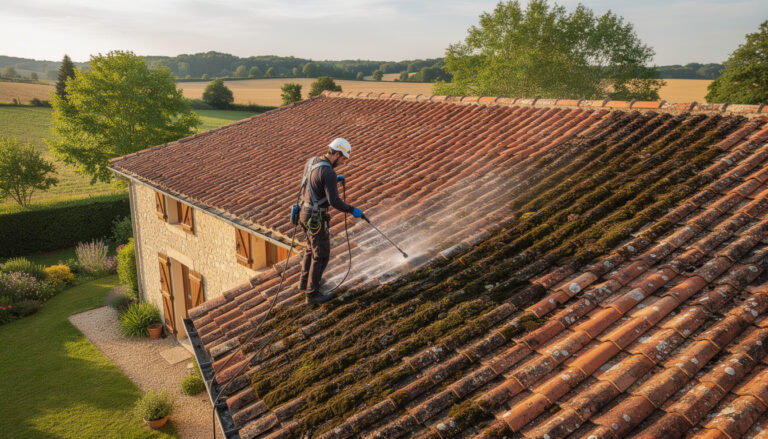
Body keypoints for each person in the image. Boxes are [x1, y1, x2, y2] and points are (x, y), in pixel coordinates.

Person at [298, 138, 364, 305]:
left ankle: (305, 283)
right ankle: (312, 294)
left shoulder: (312, 161)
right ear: (336, 154)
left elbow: (313, 183)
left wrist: (332, 181)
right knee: (321, 253)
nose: (343, 163)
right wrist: (351, 209)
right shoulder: (328, 172)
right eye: (343, 159)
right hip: (315, 217)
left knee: (310, 248)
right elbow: (334, 201)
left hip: (303, 213)